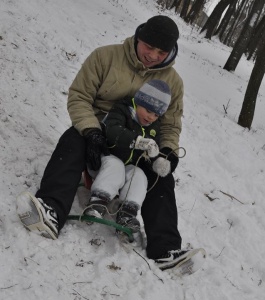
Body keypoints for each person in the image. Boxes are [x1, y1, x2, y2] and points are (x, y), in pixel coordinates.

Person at [17, 15, 187, 265]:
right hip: (97, 131)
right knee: (72, 140)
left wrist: (168, 152)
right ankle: (51, 210)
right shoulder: (105, 57)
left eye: (161, 52)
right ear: (138, 37)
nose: (152, 55)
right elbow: (79, 96)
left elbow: (171, 125)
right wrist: (91, 131)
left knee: (162, 175)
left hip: (139, 145)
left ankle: (166, 249)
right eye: (149, 47)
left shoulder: (172, 82)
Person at [85, 79, 172, 233]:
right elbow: (112, 130)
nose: (151, 117)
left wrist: (156, 159)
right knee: (116, 165)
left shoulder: (153, 127)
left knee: (139, 175)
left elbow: (151, 149)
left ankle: (127, 213)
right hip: (104, 158)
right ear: (139, 102)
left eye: (156, 114)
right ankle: (98, 201)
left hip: (128, 166)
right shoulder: (122, 109)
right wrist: (136, 141)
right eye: (148, 110)